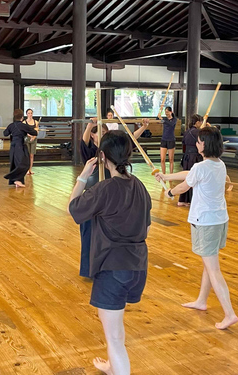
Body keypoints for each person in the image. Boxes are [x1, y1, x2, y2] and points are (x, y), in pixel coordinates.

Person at [68, 132, 152, 375]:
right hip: (138, 267)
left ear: (102, 156)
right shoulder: (139, 185)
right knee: (115, 329)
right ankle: (115, 367)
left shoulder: (105, 189)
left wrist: (83, 176)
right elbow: (146, 226)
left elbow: (73, 209)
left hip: (113, 268)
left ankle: (120, 370)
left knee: (114, 336)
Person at [156, 126, 238, 330]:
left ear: (206, 144)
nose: (197, 143)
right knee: (208, 263)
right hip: (219, 220)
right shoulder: (218, 164)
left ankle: (229, 313)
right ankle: (202, 301)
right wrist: (166, 177)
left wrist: (170, 193)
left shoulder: (201, 168)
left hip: (206, 222)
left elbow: (186, 185)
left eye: (200, 141)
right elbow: (190, 173)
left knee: (213, 269)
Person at [78, 118, 149, 278]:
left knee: (106, 237)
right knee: (89, 235)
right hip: (94, 196)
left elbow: (130, 140)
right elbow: (84, 139)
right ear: (93, 136)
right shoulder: (92, 152)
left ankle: (104, 266)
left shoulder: (113, 155)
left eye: (105, 134)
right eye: (100, 134)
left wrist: (143, 127)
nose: (102, 137)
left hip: (110, 197)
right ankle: (89, 269)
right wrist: (90, 125)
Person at [3, 109, 38, 188]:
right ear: (22, 117)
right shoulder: (23, 125)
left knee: (15, 163)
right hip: (20, 145)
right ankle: (16, 179)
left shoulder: (11, 125)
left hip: (13, 146)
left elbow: (5, 133)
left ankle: (16, 180)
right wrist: (34, 130)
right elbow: (34, 133)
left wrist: (10, 129)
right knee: (24, 163)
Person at [177, 114, 204, 207]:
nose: (201, 123)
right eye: (200, 122)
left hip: (186, 157)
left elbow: (183, 144)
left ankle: (183, 200)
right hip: (194, 157)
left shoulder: (187, 132)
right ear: (197, 122)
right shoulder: (197, 132)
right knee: (194, 178)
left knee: (187, 177)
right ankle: (193, 200)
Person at [160, 107, 177, 176]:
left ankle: (171, 174)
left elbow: (171, 124)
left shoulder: (174, 119)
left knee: (171, 159)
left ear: (171, 112)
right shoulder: (164, 119)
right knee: (162, 159)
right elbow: (158, 119)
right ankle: (163, 174)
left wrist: (162, 120)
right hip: (164, 139)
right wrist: (160, 112)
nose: (166, 113)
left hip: (171, 140)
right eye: (165, 112)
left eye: (167, 112)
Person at [23, 108, 40, 175]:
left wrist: (33, 137)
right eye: (28, 113)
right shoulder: (24, 122)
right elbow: (24, 131)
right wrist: (30, 136)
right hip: (27, 139)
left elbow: (37, 131)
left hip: (33, 139)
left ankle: (30, 169)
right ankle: (26, 169)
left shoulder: (36, 122)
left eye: (31, 113)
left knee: (31, 155)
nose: (30, 114)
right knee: (27, 154)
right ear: (26, 114)